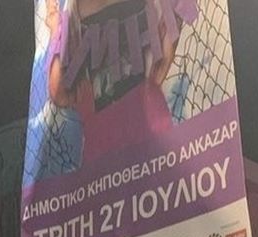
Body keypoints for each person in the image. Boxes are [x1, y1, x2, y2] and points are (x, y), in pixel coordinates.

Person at [45, 0, 192, 167]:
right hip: (149, 132)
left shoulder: (73, 11)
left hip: (106, 145)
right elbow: (160, 68)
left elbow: (60, 94)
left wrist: (56, 30)